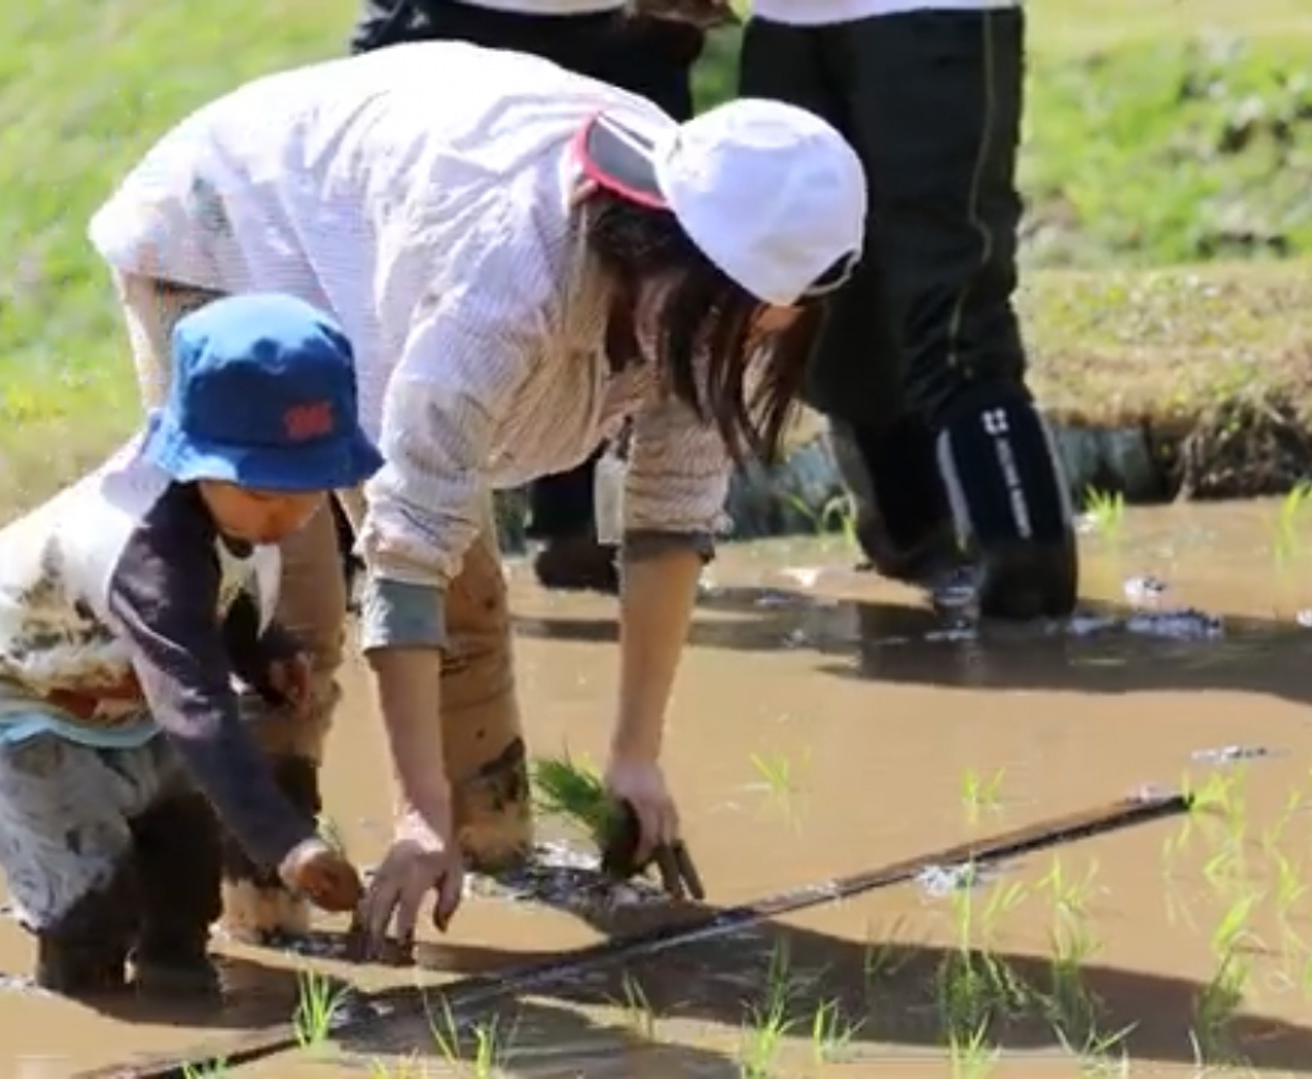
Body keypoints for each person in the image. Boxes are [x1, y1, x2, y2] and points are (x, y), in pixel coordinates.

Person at [87, 41, 866, 953]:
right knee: (284, 610)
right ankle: (266, 917)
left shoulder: (714, 303)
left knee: (469, 595)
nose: (745, 347)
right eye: (737, 318)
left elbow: (670, 516)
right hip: (232, 227)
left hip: (388, 233)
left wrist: (636, 755)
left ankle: (492, 852)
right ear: (671, 249)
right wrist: (417, 814)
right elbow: (408, 542)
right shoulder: (508, 279)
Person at [0, 293, 378, 998]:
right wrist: (288, 842)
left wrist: (262, 649)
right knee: (90, 900)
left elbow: (223, 597)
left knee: (185, 876)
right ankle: (82, 996)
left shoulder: (239, 510)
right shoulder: (145, 554)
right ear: (195, 459)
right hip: (10, 692)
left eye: (308, 488)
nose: (286, 511)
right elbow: (197, 709)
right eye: (264, 489)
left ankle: (179, 984)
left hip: (116, 680)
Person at [343, 0, 724, 594]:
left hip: (620, 29)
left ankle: (576, 530)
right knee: (384, 275)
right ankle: (350, 552)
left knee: (641, 273)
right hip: (450, 19)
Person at [736, 0, 1079, 620]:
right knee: (827, 309)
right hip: (787, 26)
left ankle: (1031, 588)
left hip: (930, 18)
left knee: (952, 318)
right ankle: (922, 556)